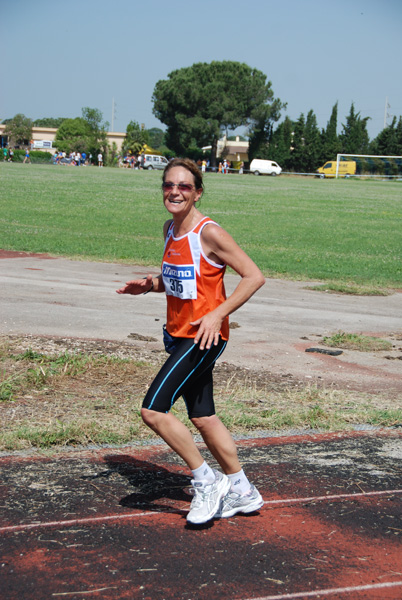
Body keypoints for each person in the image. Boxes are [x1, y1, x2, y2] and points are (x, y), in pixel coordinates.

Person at [117, 158, 265, 525]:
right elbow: (181, 282)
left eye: (184, 186)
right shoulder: (170, 229)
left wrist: (217, 314)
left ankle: (205, 480)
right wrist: (150, 285)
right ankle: (242, 489)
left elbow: (254, 276)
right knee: (204, 417)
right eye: (169, 185)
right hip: (177, 333)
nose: (175, 192)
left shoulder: (209, 232)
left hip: (203, 337)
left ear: (198, 192)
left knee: (153, 409)